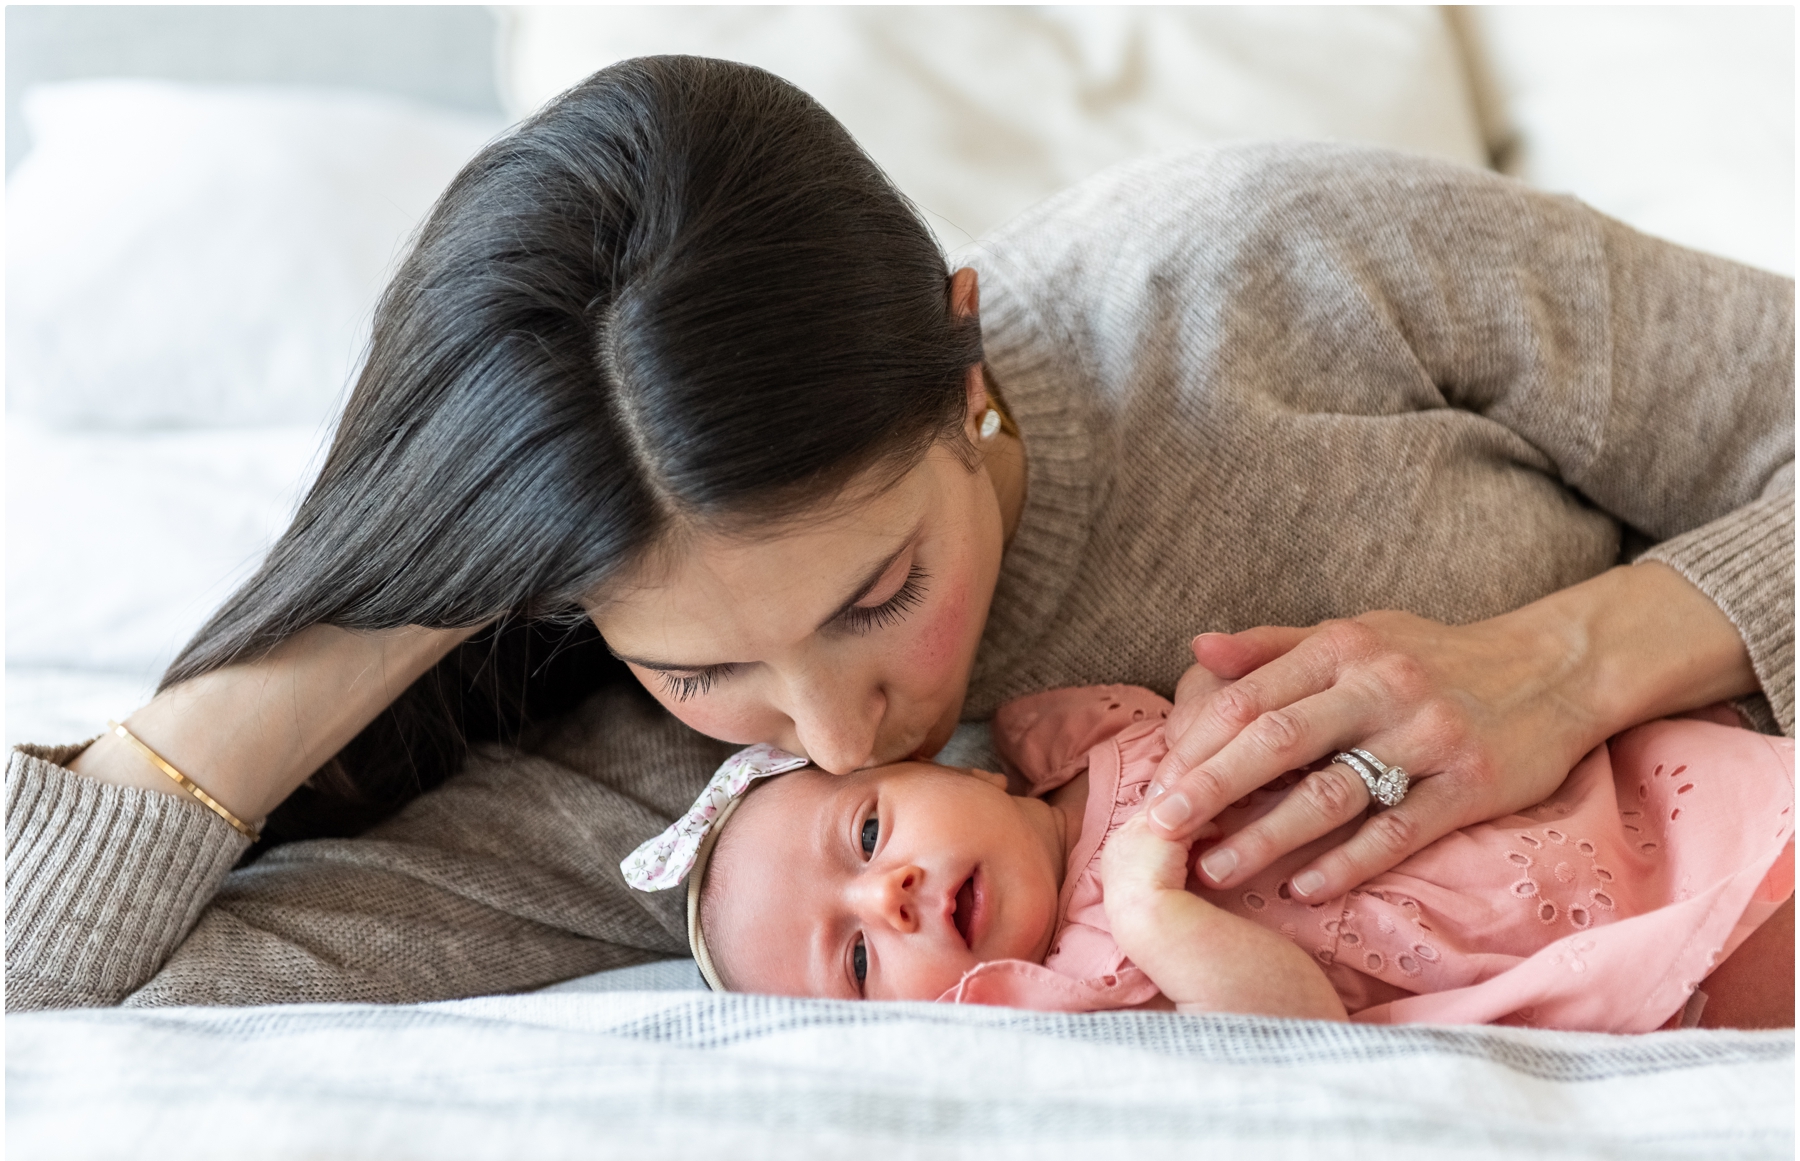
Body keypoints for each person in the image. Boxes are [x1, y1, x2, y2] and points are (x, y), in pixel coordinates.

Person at [6, 57, 1791, 1012]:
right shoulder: (648, 804)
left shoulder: (1278, 271)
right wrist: (405, 566)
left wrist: (1582, 657)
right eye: (703, 662)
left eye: (881, 591)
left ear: (959, 355)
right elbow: (51, 974)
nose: (845, 737)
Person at [643, 685, 1793, 1030]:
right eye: (854, 958)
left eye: (870, 831)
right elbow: (1292, 1023)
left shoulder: (1088, 738)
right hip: (1523, 943)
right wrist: (1153, 913)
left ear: (968, 770)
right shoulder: (1078, 988)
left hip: (1578, 800)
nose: (885, 894)